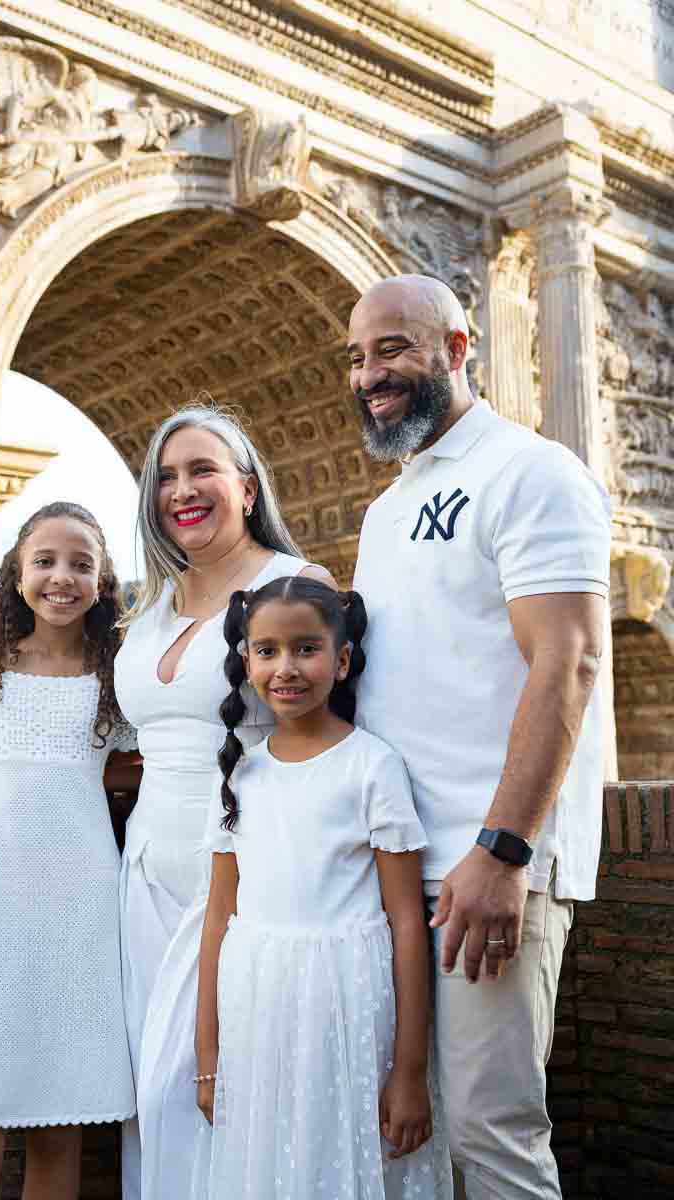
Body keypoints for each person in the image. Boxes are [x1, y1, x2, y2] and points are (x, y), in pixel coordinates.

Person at [347, 274, 612, 1199]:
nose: (369, 373)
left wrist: (504, 852)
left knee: (492, 1136)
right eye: (356, 356)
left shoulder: (534, 472)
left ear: (460, 349)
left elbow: (567, 662)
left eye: (393, 348)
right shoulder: (384, 511)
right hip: (395, 868)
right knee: (410, 1144)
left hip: (489, 864)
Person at [113, 404, 332, 1199]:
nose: (182, 490)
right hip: (141, 879)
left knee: (220, 1085)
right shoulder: (150, 605)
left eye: (202, 470)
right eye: (166, 477)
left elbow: (335, 738)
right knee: (151, 1096)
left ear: (246, 485)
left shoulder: (297, 584)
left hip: (241, 872)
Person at [195, 576, 453, 1200]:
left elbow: (406, 922)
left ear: (340, 661)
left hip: (350, 1007)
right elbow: (218, 918)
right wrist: (209, 1058)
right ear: (247, 662)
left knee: (351, 1161)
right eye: (267, 651)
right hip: (260, 1007)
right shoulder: (240, 776)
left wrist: (410, 1072)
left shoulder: (372, 767)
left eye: (306, 649)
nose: (286, 668)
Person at [0, 501, 138, 1200]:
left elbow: (140, 764)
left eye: (80, 565)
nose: (61, 578)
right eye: (44, 561)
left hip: (82, 914)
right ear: (16, 575)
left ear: (102, 584)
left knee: (56, 1136)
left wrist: (85, 771)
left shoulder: (115, 678)